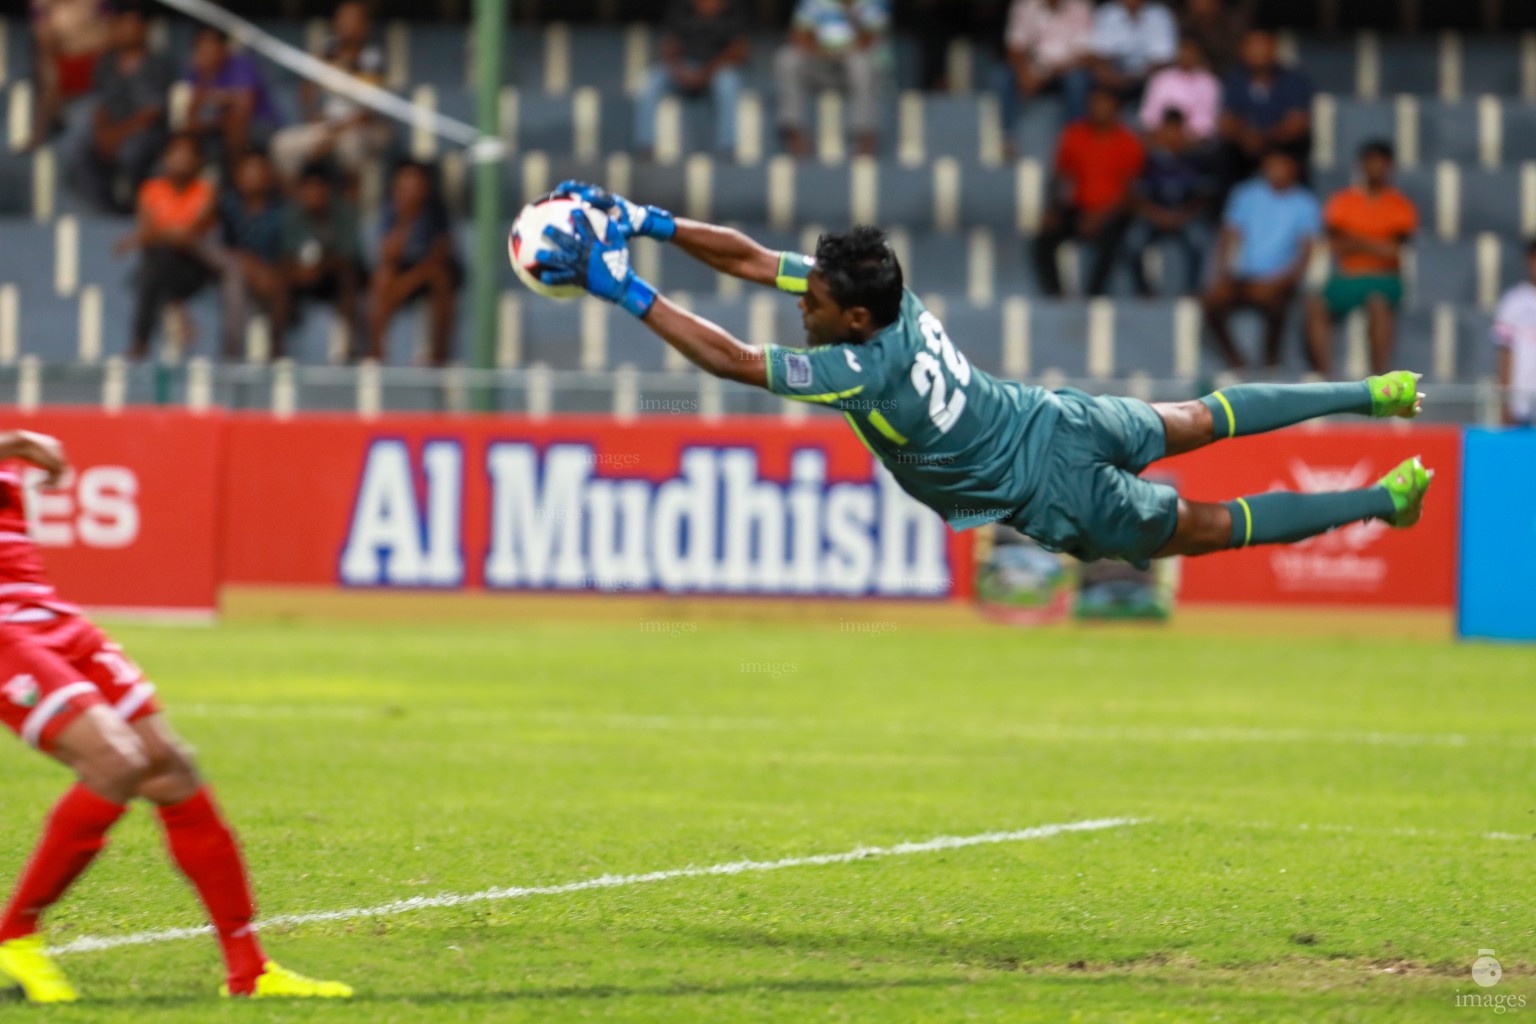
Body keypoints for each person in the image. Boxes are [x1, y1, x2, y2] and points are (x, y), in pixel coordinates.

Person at [539, 180, 1433, 573]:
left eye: (810, 299)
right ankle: (1373, 391)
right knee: (1202, 417)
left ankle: (1382, 502)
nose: (796, 301)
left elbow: (733, 360)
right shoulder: (894, 296)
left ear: (852, 319)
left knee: (1215, 525)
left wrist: (625, 288)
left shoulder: (856, 370)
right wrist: (642, 217)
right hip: (1062, 419)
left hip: (1059, 495)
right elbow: (743, 260)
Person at [0, 430, 354, 1003]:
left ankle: (249, 970)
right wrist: (14, 442)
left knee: (168, 767)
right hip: (5, 633)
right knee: (115, 762)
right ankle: (14, 937)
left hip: (52, 617)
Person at [1305, 141, 1418, 376]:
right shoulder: (1342, 201)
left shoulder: (1400, 205)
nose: (1375, 167)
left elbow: (1394, 251)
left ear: (1390, 166)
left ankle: (1380, 378)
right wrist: (1376, 244)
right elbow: (1336, 245)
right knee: (1316, 305)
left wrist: (1356, 242)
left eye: (1381, 162)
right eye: (1370, 161)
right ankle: (1326, 378)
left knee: (1378, 304)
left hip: (1385, 278)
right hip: (1348, 277)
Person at [1203, 149, 1321, 370]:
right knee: (1212, 302)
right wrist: (1225, 273)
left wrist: (1281, 282)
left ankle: (1271, 361)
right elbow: (1229, 235)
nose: (1275, 172)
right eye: (1271, 166)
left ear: (1293, 170)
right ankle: (1235, 360)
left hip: (1280, 279)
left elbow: (1306, 251)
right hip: (1243, 276)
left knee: (1277, 306)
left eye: (1281, 166)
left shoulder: (1305, 202)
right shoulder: (1245, 194)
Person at [1032, 88, 1144, 297]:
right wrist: (1052, 209)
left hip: (1113, 212)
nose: (1099, 109)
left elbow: (1131, 193)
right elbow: (1059, 177)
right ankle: (1055, 295)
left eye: (1105, 103)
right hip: (1080, 208)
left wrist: (1100, 217)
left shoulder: (1128, 142)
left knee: (1114, 242)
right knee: (1044, 238)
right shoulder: (1074, 135)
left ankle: (1094, 296)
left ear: (1116, 109)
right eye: (1095, 103)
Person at [116, 134, 218, 360]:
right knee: (157, 264)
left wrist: (152, 235)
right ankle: (176, 310)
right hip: (161, 264)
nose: (181, 159)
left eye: (188, 154)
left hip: (195, 267)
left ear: (197, 161)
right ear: (165, 158)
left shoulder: (206, 191)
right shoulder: (150, 190)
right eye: (176, 153)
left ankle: (141, 341)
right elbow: (148, 237)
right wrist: (166, 234)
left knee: (154, 270)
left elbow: (190, 237)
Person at [269, 1, 390, 182]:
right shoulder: (327, 49)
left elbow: (367, 113)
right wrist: (313, 114)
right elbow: (306, 92)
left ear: (365, 25)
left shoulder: (372, 57)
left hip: (360, 129)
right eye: (342, 18)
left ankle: (354, 202)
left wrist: (332, 135)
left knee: (351, 145)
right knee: (283, 144)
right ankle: (297, 202)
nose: (345, 23)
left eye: (352, 18)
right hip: (328, 125)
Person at [72, 6, 175, 214]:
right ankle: (107, 211)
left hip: (146, 131)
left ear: (144, 29)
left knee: (131, 153)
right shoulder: (106, 63)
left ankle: (137, 209)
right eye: (122, 24)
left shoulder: (159, 64)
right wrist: (104, 135)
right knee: (82, 155)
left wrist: (116, 136)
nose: (127, 30)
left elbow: (152, 112)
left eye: (132, 24)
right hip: (112, 129)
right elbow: (100, 103)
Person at [369, 162, 459, 365]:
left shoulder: (435, 211)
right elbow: (388, 254)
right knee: (382, 280)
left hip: (428, 275)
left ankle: (439, 355)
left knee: (440, 277)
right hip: (401, 275)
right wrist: (406, 217)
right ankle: (376, 354)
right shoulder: (391, 210)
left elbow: (442, 253)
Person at [635, 0, 749, 160]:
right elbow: (669, 46)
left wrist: (706, 73)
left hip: (717, 68)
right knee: (652, 79)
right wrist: (679, 71)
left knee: (728, 82)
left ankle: (727, 147)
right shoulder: (681, 7)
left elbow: (739, 51)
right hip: (685, 66)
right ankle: (645, 145)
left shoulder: (733, 9)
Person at [775, 0, 890, 158]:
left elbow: (870, 39)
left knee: (861, 63)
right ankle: (794, 131)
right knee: (787, 58)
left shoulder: (871, 3)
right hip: (818, 62)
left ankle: (865, 136)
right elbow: (799, 35)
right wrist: (825, 52)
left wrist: (843, 48)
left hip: (851, 65)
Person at [1126, 109, 1217, 296]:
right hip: (1155, 215)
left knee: (1200, 241)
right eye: (1168, 130)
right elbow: (1137, 196)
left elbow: (1204, 198)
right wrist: (1159, 216)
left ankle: (1192, 291)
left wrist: (1182, 216)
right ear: (1160, 131)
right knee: (1133, 242)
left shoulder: (1198, 159)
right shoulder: (1148, 160)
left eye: (1177, 130)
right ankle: (1145, 292)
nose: (1172, 135)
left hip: (1186, 217)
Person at [283, 163, 366, 359]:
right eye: (309, 188)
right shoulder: (292, 214)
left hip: (335, 280)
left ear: (329, 190)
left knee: (347, 276)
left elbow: (349, 258)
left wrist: (322, 266)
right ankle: (277, 352)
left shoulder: (345, 214)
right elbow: (285, 255)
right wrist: (299, 271)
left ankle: (350, 348)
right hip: (301, 278)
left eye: (319, 187)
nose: (314, 194)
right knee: (279, 281)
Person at [216, 150, 290, 360]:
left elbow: (288, 250)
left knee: (278, 285)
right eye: (247, 170)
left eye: (258, 170)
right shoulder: (226, 205)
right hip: (230, 269)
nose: (253, 176)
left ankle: (277, 352)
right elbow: (216, 246)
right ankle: (232, 354)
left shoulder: (281, 209)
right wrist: (245, 261)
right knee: (235, 277)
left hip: (272, 274)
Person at [1219, 29, 1313, 192]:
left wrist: (1266, 139)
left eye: (1263, 46)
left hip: (1282, 147)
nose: (1258, 52)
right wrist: (1245, 137)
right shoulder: (1234, 79)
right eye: (1252, 46)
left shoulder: (1294, 79)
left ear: (1274, 49)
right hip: (1244, 149)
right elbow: (1226, 122)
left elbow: (1298, 123)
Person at [995, 0, 1093, 154]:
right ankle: (1006, 136)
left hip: (1066, 69)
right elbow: (1015, 47)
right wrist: (1025, 73)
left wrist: (1045, 71)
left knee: (1078, 81)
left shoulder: (1080, 7)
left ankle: (1075, 140)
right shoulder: (1024, 6)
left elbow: (1084, 55)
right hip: (1032, 68)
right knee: (1001, 77)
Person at [185, 27, 282, 164]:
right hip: (218, 128)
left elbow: (243, 111)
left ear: (223, 47)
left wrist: (217, 102)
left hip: (260, 125)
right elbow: (191, 115)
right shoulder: (198, 71)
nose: (207, 51)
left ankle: (235, 180)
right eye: (201, 46)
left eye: (211, 45)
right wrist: (206, 77)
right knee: (187, 135)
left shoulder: (241, 64)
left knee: (235, 128)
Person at [27, 0, 111, 148]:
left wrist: (72, 41)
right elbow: (43, 40)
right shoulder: (43, 6)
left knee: (79, 134)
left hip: (93, 84)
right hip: (55, 89)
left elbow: (109, 35)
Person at [1087, 0, 1177, 102]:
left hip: (1146, 75)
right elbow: (1100, 55)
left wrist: (1137, 78)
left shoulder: (1160, 15)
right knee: (1093, 78)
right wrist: (1115, 78)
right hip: (1115, 74)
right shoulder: (1107, 13)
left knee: (1164, 79)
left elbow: (1164, 58)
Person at [1139, 35, 1221, 142]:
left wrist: (1184, 135)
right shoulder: (1161, 78)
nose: (1186, 56)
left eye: (1191, 53)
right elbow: (1149, 112)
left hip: (1194, 140)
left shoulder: (1209, 82)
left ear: (1199, 55)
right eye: (1183, 52)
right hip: (1160, 134)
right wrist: (1163, 132)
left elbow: (1207, 119)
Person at [1491, 241, 1536, 426]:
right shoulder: (1513, 301)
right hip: (1521, 400)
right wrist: (1505, 402)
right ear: (1529, 260)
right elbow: (1505, 354)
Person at [1180, 0, 1247, 75]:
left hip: (1230, 74)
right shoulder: (1186, 26)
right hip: (1197, 77)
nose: (1201, 4)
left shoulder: (1233, 24)